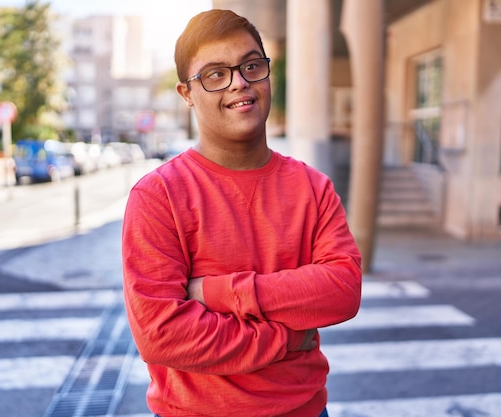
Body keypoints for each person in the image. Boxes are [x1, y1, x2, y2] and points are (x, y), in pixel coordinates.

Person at [122, 9, 362, 417]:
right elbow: (162, 335)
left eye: (252, 66)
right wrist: (285, 340)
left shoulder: (313, 187)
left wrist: (218, 293)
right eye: (215, 74)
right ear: (186, 93)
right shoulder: (158, 195)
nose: (239, 83)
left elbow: (342, 290)